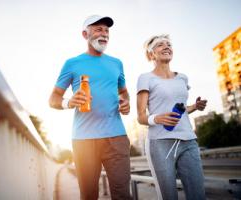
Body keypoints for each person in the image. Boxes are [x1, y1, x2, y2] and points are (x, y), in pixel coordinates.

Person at [49, 15, 131, 200]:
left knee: (123, 195)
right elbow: (53, 99)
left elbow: (124, 93)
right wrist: (69, 102)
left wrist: (126, 103)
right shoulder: (72, 63)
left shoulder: (117, 63)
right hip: (84, 139)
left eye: (107, 30)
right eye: (98, 29)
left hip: (116, 137)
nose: (104, 34)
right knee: (88, 196)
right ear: (85, 34)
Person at [136, 34, 207, 200]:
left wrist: (195, 107)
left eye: (168, 44)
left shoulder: (182, 78)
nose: (167, 47)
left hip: (188, 140)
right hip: (160, 143)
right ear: (151, 54)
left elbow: (179, 111)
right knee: (168, 196)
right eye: (161, 45)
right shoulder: (145, 78)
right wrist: (157, 119)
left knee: (198, 195)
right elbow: (140, 116)